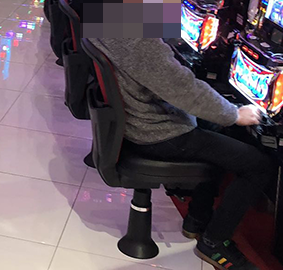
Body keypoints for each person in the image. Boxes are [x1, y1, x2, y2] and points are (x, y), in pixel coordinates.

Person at [89, 37, 274, 270]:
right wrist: (234, 114)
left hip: (137, 121)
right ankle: (214, 242)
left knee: (221, 130)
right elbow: (183, 89)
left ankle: (197, 219)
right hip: (158, 133)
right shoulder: (138, 39)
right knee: (258, 165)